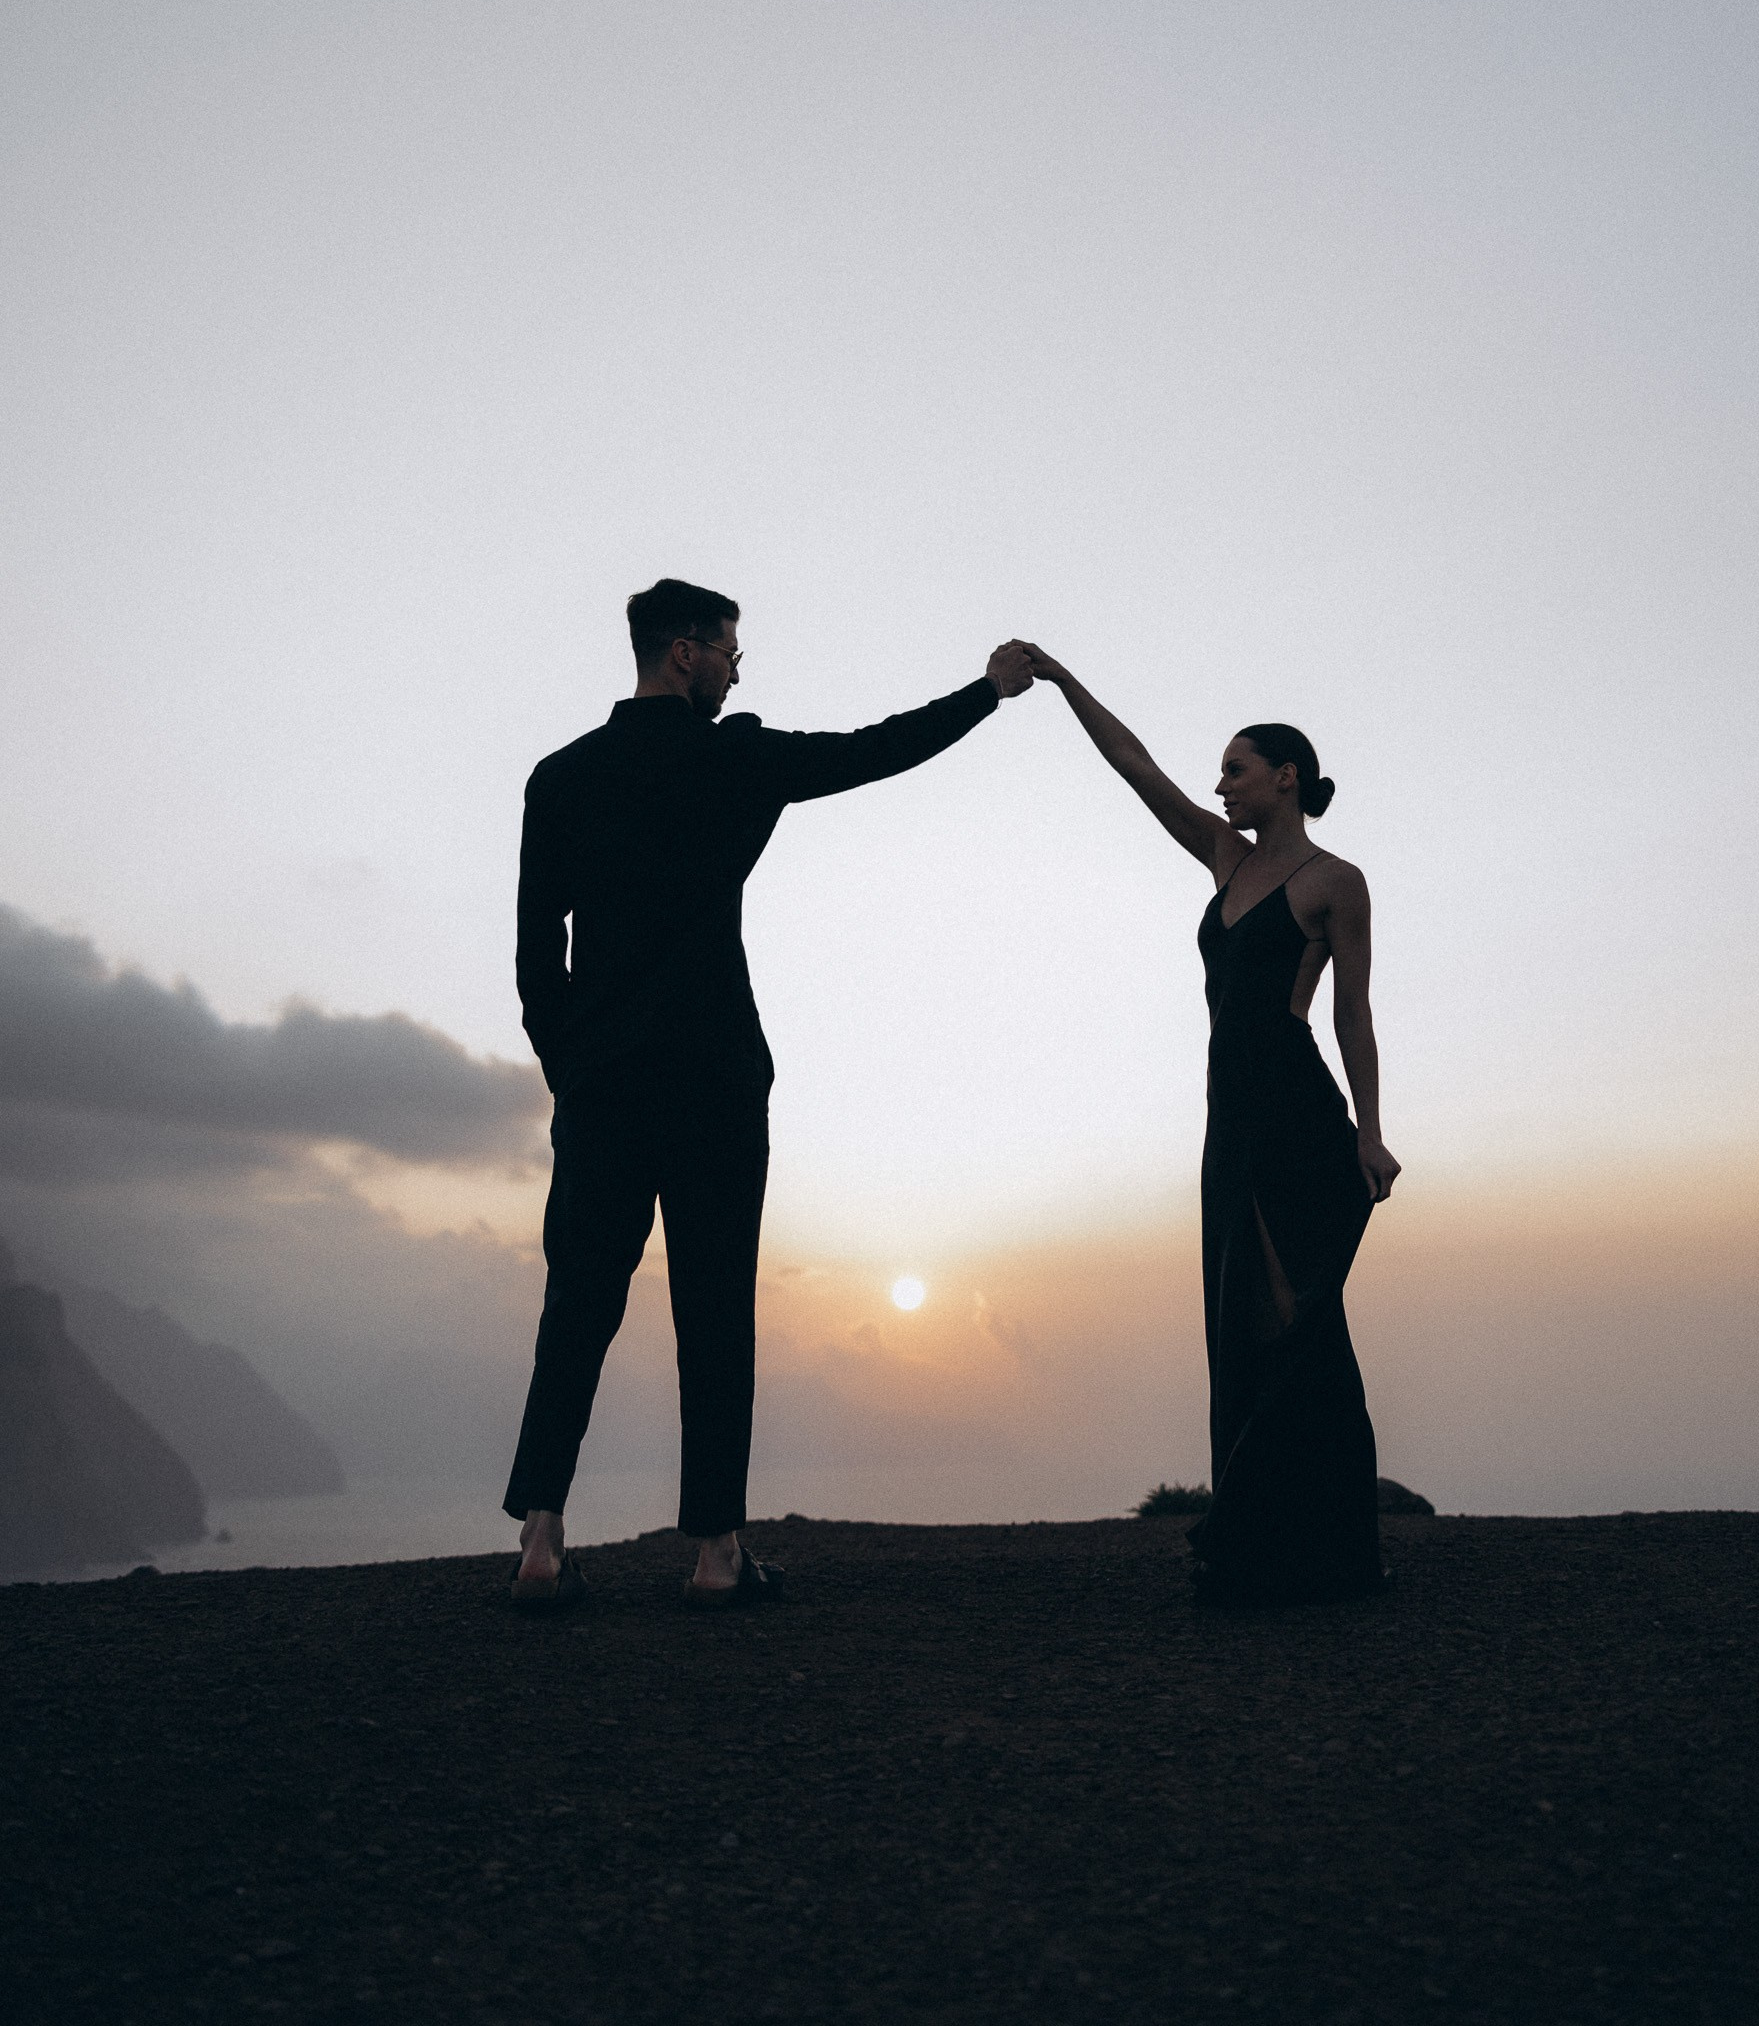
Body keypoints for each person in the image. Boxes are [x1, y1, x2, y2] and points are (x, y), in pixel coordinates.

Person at [505, 579, 1035, 1609]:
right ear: (683, 653)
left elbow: (536, 957)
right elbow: (871, 750)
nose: (739, 665)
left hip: (604, 1081)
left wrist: (572, 1067)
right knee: (714, 1306)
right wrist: (986, 693)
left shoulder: (559, 777)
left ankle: (538, 1540)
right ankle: (713, 1555)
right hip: (712, 1075)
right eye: (727, 647)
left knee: (577, 1300)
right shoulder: (734, 758)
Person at [1024, 650, 1398, 1603]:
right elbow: (1136, 766)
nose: (1220, 785)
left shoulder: (1334, 881)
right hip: (1228, 1120)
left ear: (1285, 776)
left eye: (1235, 768)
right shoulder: (1225, 858)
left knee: (1293, 1321)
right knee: (1239, 1325)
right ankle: (1274, 1540)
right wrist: (1066, 683)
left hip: (1294, 1113)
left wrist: (1369, 1131)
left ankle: (1307, 1547)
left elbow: (1351, 1013)